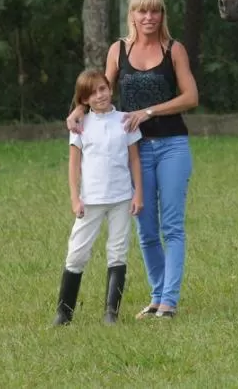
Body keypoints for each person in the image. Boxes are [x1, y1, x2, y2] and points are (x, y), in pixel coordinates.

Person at [67, 0, 199, 319]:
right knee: (146, 228)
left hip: (172, 146)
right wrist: (78, 109)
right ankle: (156, 296)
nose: (149, 17)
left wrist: (148, 112)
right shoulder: (118, 50)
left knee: (172, 226)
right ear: (133, 15)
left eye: (155, 10)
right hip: (134, 151)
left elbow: (191, 97)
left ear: (162, 15)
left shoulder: (174, 50)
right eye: (142, 11)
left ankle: (169, 302)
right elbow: (100, 90)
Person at [53, 69, 143, 326]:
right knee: (77, 252)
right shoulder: (80, 125)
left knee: (118, 251)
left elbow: (134, 159)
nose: (99, 95)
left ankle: (111, 312)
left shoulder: (125, 120)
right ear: (84, 100)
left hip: (121, 198)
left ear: (110, 89)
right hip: (91, 200)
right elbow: (74, 165)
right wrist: (75, 198)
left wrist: (138, 193)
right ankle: (64, 313)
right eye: (92, 93)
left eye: (102, 89)